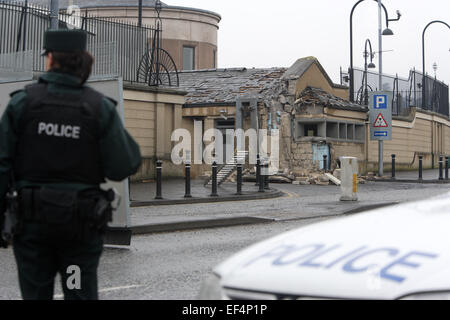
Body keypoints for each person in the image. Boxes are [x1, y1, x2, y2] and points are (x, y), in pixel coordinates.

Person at [0, 29, 142, 300]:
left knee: (35, 293)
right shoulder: (99, 107)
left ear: (50, 59)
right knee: (77, 291)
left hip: (33, 227)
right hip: (78, 229)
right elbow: (123, 165)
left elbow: (1, 164)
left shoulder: (23, 104)